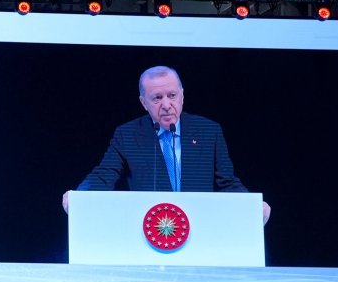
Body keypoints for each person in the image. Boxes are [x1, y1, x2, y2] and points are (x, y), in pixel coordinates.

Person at [63, 65, 270, 223]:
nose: (166, 105)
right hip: (149, 230)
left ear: (182, 96)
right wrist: (79, 197)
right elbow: (104, 175)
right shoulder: (128, 135)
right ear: (143, 102)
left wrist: (250, 206)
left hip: (200, 227)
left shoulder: (209, 131)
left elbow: (227, 182)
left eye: (172, 96)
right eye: (157, 98)